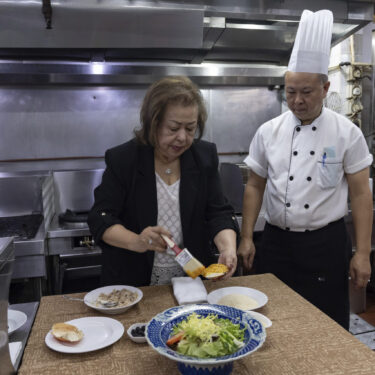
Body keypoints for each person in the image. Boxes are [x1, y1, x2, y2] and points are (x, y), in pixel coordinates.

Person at [237, 9, 373, 330]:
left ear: (325, 89)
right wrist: (246, 237)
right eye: (291, 91)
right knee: (275, 323)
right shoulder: (268, 130)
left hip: (324, 245)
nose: (297, 100)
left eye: (306, 92)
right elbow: (255, 185)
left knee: (325, 326)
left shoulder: (345, 133)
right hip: (276, 244)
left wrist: (363, 253)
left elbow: (361, 194)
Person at [88, 76, 238, 287]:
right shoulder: (125, 159)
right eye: (174, 128)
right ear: (153, 123)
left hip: (192, 282)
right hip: (134, 282)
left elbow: (219, 213)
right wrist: (136, 241)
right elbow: (100, 218)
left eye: (190, 128)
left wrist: (228, 249)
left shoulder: (204, 157)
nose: (183, 138)